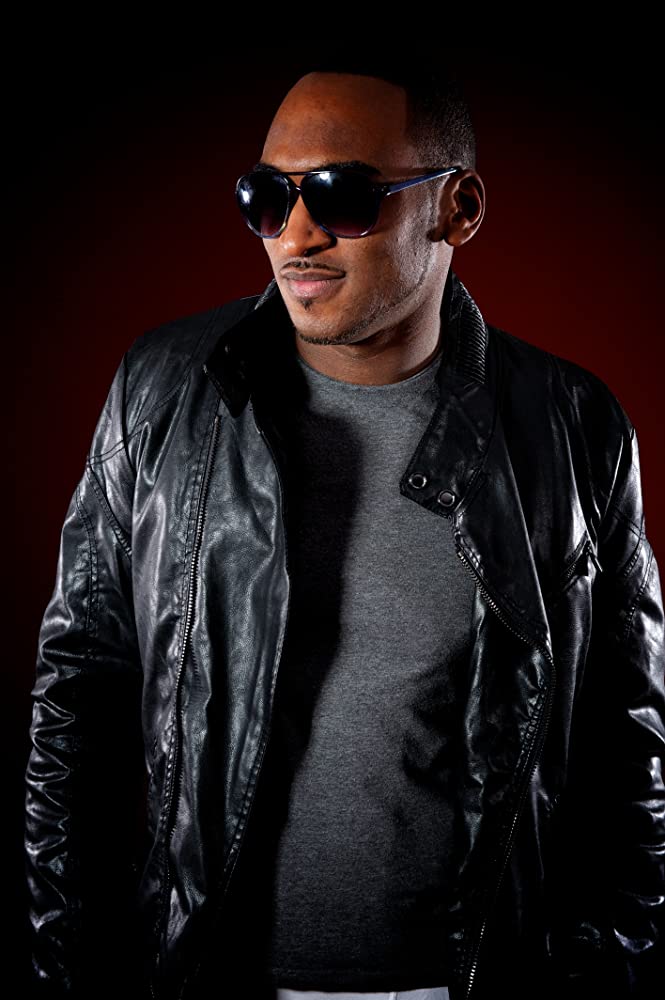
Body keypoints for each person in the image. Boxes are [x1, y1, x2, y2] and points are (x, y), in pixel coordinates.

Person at [24, 60, 665, 1000]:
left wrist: (608, 970)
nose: (296, 234)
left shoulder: (574, 428)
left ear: (457, 208)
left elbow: (628, 747)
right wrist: (69, 973)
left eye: (342, 195)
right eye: (266, 197)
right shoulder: (161, 394)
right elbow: (77, 699)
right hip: (208, 979)